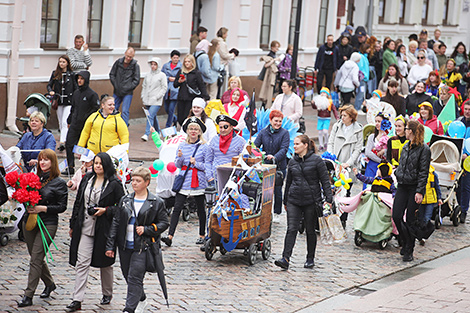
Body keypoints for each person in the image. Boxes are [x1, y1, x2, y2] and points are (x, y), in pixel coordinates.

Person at [66, 153, 125, 312]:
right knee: (82, 262)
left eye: (101, 163)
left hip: (104, 229)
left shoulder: (115, 183)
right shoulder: (87, 178)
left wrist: (106, 210)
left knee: (105, 263)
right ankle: (77, 299)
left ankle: (107, 293)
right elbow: (78, 202)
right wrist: (73, 224)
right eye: (96, 163)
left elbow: (122, 207)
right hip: (85, 226)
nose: (98, 166)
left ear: (106, 165)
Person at [105, 167, 169, 313]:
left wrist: (147, 229)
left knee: (135, 277)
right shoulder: (125, 200)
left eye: (138, 181)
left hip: (143, 246)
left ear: (147, 182)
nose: (134, 183)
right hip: (125, 245)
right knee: (127, 275)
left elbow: (164, 223)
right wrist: (110, 246)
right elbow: (116, 222)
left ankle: (129, 309)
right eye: (133, 180)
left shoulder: (156, 202)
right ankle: (141, 299)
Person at [18, 149, 68, 308]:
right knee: (36, 256)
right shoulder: (34, 178)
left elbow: (62, 207)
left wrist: (43, 208)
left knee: (36, 258)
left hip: (48, 223)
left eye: (47, 160)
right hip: (30, 222)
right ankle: (50, 284)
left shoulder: (59, 182)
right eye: (41, 160)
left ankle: (28, 295)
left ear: (53, 163)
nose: (43, 163)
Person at [274, 135, 332, 270]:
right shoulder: (292, 162)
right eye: (294, 144)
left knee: (310, 230)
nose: (294, 146)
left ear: (305, 145)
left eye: (297, 144)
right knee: (292, 229)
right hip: (294, 199)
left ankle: (310, 258)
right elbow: (288, 182)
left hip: (311, 200)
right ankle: (285, 258)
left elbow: (325, 181)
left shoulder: (317, 160)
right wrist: (285, 200)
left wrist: (328, 199)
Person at [160, 117, 210, 247]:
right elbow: (177, 164)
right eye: (191, 129)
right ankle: (170, 236)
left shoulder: (204, 147)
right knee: (177, 208)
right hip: (184, 179)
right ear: (187, 131)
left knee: (200, 209)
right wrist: (180, 158)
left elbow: (207, 166)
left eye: (196, 129)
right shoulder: (181, 145)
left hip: (198, 180)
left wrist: (196, 163)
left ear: (200, 132)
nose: (193, 131)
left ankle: (202, 235)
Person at [393, 120, 431, 262]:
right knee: (396, 215)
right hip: (402, 185)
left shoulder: (424, 149)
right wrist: (397, 173)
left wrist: (420, 191)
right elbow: (402, 164)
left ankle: (409, 248)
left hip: (414, 187)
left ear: (412, 131)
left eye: (407, 128)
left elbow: (423, 172)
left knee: (410, 219)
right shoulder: (405, 146)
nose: (405, 130)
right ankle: (405, 239)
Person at [327, 105, 363, 226]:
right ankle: (332, 215)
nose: (342, 117)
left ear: (351, 117)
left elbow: (358, 149)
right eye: (341, 115)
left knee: (346, 193)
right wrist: (331, 157)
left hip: (348, 165)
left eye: (344, 116)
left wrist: (349, 163)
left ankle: (343, 218)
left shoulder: (358, 130)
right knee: (332, 190)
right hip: (335, 163)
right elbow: (330, 142)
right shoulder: (337, 126)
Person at [254, 110, 290, 220]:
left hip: (279, 166)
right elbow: (256, 145)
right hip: (265, 166)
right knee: (264, 190)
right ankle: (263, 210)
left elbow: (284, 149)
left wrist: (274, 157)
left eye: (280, 121)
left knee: (277, 190)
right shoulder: (263, 132)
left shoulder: (285, 133)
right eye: (276, 121)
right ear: (270, 120)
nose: (278, 123)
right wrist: (258, 154)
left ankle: (277, 212)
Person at [64, 71, 100, 175]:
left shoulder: (92, 94)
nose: (79, 81)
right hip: (75, 124)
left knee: (83, 147)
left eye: (82, 79)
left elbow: (95, 109)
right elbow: (73, 108)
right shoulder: (76, 93)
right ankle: (70, 167)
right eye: (78, 78)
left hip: (85, 126)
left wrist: (87, 119)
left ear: (86, 80)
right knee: (69, 144)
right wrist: (69, 119)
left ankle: (85, 166)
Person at [47, 55, 77, 151]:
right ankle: (64, 139)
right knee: (60, 122)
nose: (61, 64)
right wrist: (51, 91)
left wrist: (75, 98)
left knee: (65, 122)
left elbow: (75, 88)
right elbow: (49, 85)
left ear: (67, 63)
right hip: (59, 101)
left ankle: (62, 142)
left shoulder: (72, 75)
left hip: (68, 102)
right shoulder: (55, 74)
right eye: (60, 62)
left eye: (63, 62)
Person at [206, 115, 246, 185]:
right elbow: (208, 160)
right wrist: (209, 177)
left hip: (233, 179)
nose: (222, 130)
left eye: (225, 127)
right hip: (215, 179)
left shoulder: (240, 141)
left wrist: (236, 176)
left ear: (231, 127)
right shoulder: (214, 140)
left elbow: (243, 160)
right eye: (220, 127)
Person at [173, 54, 209, 126]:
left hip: (191, 98)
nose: (187, 63)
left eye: (188, 62)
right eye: (185, 62)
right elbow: (175, 85)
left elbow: (201, 85)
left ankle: (186, 131)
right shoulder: (181, 71)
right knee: (180, 118)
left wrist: (206, 97)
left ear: (192, 62)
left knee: (187, 117)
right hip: (181, 98)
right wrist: (179, 81)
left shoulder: (196, 73)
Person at [109, 47, 141, 125]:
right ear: (125, 54)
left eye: (130, 57)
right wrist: (116, 85)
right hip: (117, 90)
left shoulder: (135, 66)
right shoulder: (118, 62)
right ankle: (112, 125)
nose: (128, 58)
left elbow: (136, 80)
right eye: (127, 56)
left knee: (125, 111)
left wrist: (129, 87)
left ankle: (124, 127)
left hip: (128, 92)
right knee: (113, 109)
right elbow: (112, 74)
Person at [141, 57, 167, 141]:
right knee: (153, 116)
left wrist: (157, 97)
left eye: (155, 64)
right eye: (151, 64)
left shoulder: (162, 75)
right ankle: (158, 131)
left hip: (156, 101)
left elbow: (164, 87)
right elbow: (144, 86)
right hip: (147, 100)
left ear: (158, 65)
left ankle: (146, 134)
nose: (153, 66)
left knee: (150, 116)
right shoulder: (147, 75)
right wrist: (143, 96)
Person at [364, 112, 390, 189]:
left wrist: (383, 152)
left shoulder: (389, 138)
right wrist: (380, 159)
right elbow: (368, 152)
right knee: (367, 188)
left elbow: (388, 153)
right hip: (371, 166)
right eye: (376, 121)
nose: (377, 124)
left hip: (383, 168)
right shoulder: (372, 137)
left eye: (379, 121)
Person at [418, 165, 442, 245]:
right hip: (421, 200)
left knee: (427, 218)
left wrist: (439, 198)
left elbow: (436, 186)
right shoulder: (419, 173)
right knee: (420, 218)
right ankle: (421, 236)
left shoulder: (433, 174)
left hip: (430, 199)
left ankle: (424, 237)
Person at [456, 101, 470, 223]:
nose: (467, 111)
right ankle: (459, 206)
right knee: (457, 185)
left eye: (469, 109)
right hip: (457, 158)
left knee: (466, 187)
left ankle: (464, 210)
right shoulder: (459, 122)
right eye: (466, 109)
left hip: (468, 161)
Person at [161, 50, 182, 128]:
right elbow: (162, 75)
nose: (175, 59)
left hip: (175, 90)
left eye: (177, 58)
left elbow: (182, 77)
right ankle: (174, 118)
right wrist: (168, 78)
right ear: (171, 58)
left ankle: (168, 126)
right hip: (167, 90)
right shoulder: (166, 66)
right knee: (166, 109)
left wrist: (176, 79)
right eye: (174, 58)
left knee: (171, 109)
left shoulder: (181, 66)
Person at [259, 40, 281, 108]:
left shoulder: (274, 55)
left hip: (271, 77)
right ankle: (264, 107)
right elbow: (266, 65)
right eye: (276, 47)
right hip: (269, 77)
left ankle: (264, 107)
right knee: (267, 92)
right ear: (272, 47)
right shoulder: (270, 55)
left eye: (278, 47)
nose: (277, 49)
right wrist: (274, 60)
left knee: (269, 93)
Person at [355, 43, 371, 112]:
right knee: (361, 93)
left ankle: (359, 107)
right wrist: (363, 76)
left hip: (364, 78)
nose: (370, 50)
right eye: (368, 48)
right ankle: (357, 108)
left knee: (362, 93)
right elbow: (360, 68)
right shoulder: (361, 57)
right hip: (362, 79)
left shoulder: (364, 57)